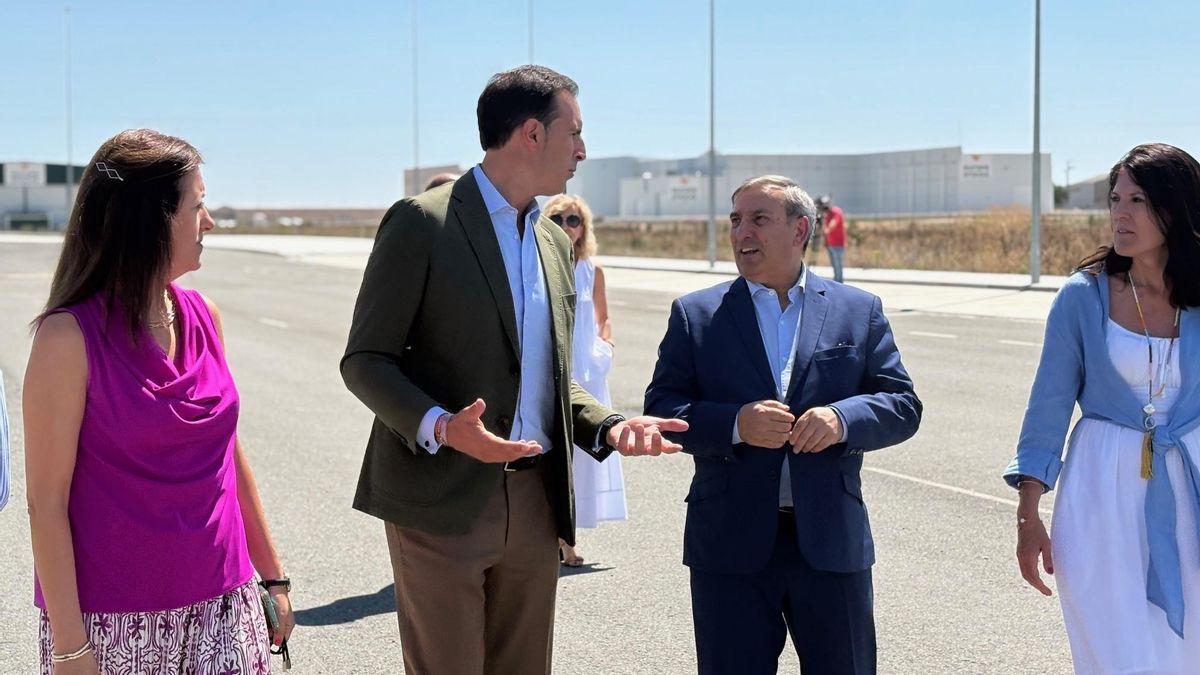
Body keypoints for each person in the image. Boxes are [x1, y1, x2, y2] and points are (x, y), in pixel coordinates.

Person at [340, 65, 687, 675]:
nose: (582, 150)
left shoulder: (554, 242)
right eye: (574, 132)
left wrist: (609, 425)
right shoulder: (424, 221)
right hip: (443, 497)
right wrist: (443, 426)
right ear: (531, 133)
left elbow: (548, 374)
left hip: (534, 501)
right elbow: (366, 360)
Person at [23, 129, 294, 674]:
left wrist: (273, 577)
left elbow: (227, 456)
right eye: (197, 206)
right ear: (151, 220)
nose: (209, 222)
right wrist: (71, 649)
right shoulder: (67, 339)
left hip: (225, 608)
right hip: (116, 625)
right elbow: (46, 504)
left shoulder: (203, 315)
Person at [645, 175, 921, 675]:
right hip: (729, 543)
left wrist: (842, 418)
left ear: (800, 230)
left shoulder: (858, 311)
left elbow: (902, 404)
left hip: (830, 541)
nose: (741, 233)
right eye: (735, 220)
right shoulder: (696, 314)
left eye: (758, 219)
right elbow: (664, 408)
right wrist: (735, 424)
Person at [1006, 143, 1200, 673]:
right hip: (1100, 496)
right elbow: (1047, 410)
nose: (1121, 213)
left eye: (1139, 200)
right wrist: (1028, 515)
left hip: (1190, 496)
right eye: (1116, 199)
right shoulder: (1082, 296)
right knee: (1117, 655)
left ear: (1177, 206)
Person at [544, 194, 627, 567]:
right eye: (557, 219)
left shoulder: (593, 270)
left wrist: (605, 348)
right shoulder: (539, 262)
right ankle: (554, 537)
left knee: (583, 456)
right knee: (554, 452)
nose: (566, 226)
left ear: (583, 227)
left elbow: (603, 318)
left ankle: (568, 538)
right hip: (555, 368)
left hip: (589, 372)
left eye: (573, 219)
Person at [816, 195, 845, 283]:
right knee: (834, 264)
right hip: (830, 243)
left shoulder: (836, 212)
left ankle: (839, 282)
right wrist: (826, 241)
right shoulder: (827, 214)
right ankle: (837, 280)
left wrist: (825, 229)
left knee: (837, 264)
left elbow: (832, 225)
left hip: (838, 243)